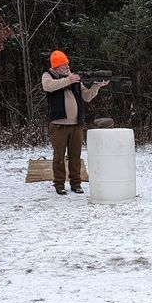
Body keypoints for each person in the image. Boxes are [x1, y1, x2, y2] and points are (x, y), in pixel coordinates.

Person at [41, 50, 107, 195]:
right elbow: (48, 86)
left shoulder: (75, 79)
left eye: (67, 64)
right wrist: (69, 80)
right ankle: (59, 184)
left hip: (76, 124)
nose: (67, 67)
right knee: (59, 156)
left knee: (75, 156)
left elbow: (87, 97)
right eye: (64, 65)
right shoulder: (48, 75)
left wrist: (96, 86)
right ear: (56, 67)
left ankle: (76, 183)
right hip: (59, 125)